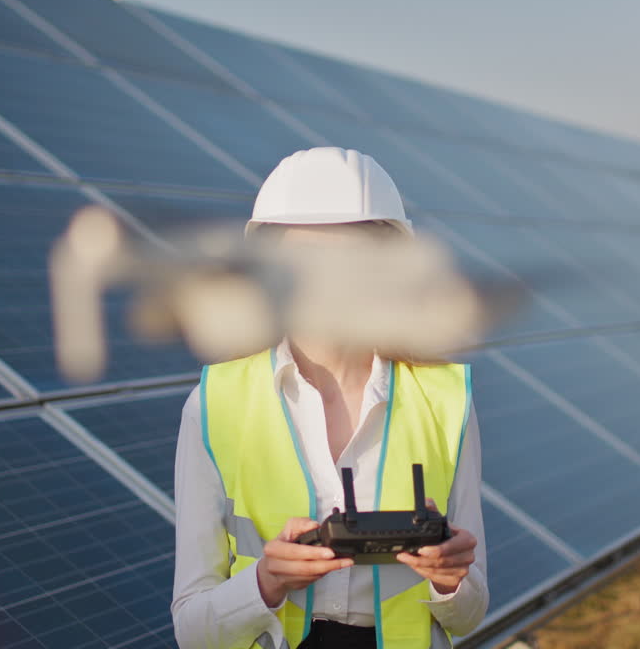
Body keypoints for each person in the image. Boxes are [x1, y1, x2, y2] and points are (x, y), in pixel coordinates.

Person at [172, 147, 488, 649]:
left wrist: (449, 581)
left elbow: (469, 614)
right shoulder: (214, 407)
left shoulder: (447, 402)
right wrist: (266, 583)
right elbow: (192, 631)